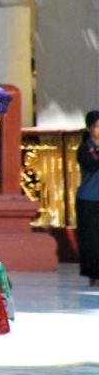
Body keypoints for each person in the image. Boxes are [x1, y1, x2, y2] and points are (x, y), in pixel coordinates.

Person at [76, 110, 99, 287]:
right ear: (90, 128)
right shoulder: (85, 148)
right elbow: (91, 165)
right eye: (97, 126)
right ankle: (93, 274)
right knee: (91, 239)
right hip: (89, 199)